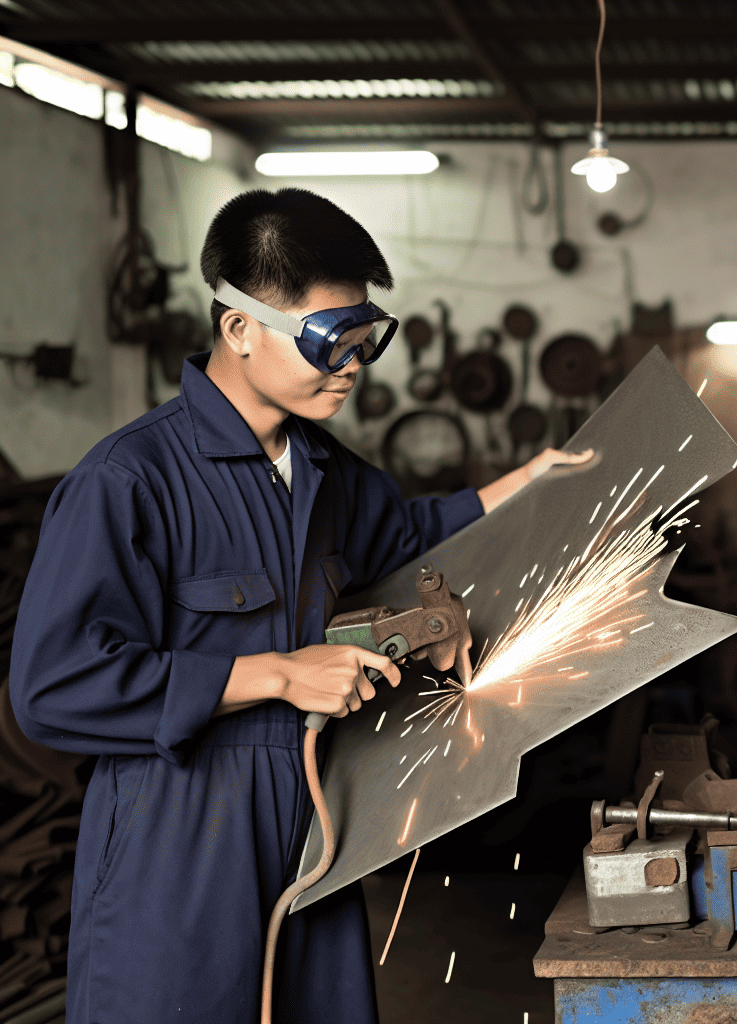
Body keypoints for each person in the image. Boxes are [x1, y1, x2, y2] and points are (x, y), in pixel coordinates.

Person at [9, 188, 590, 1023]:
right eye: (329, 342)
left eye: (366, 339)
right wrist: (277, 675)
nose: (351, 365)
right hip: (178, 835)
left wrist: (530, 484)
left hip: (313, 828)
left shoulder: (327, 471)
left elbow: (411, 535)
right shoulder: (129, 482)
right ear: (238, 328)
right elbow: (52, 688)